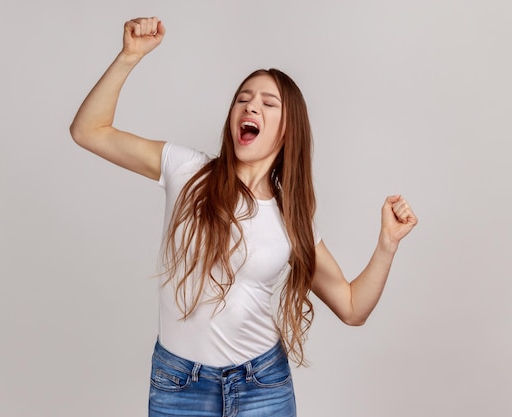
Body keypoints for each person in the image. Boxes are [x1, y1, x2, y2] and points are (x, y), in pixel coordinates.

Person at [70, 16, 418, 417]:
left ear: (287, 131)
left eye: (269, 103)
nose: (251, 104)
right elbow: (88, 131)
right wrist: (129, 57)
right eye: (243, 98)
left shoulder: (293, 220)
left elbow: (353, 307)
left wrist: (387, 244)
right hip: (179, 384)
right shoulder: (187, 170)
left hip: (262, 385)